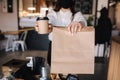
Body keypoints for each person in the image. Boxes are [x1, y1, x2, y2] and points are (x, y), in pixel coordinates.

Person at [35, 0, 87, 66]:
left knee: (70, 69)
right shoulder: (53, 13)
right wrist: (45, 25)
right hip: (54, 46)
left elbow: (82, 21)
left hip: (71, 47)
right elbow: (50, 21)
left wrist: (79, 24)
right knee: (54, 70)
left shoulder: (77, 14)